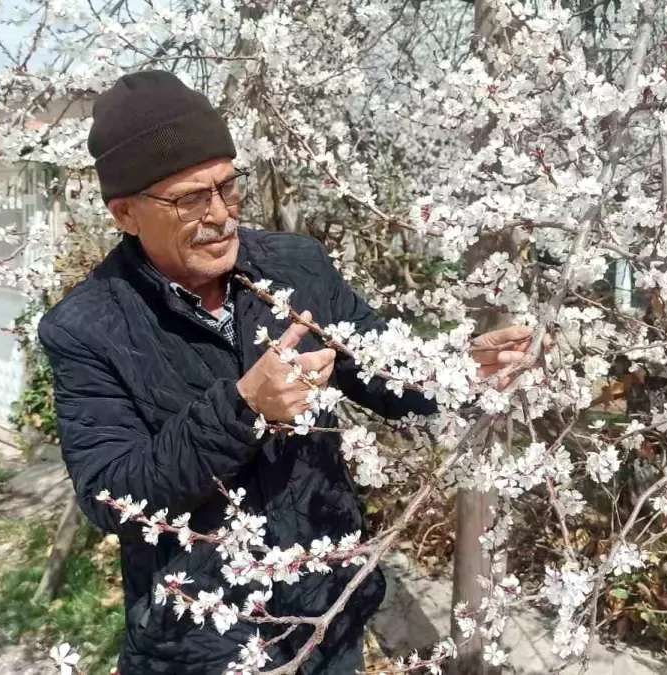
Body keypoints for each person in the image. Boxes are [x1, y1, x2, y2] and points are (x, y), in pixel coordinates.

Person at [39, 70, 534, 674]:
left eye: (228, 187)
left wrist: (459, 367)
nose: (220, 215)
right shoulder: (87, 327)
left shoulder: (293, 267)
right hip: (199, 638)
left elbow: (378, 366)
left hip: (324, 613)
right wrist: (242, 408)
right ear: (125, 213)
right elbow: (112, 495)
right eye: (191, 198)